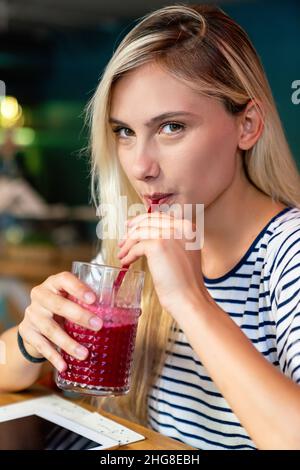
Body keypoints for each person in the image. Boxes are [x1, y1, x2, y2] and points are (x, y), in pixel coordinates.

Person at [0, 4, 299, 450]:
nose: (141, 166)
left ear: (248, 125)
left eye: (172, 127)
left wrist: (188, 299)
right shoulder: (140, 238)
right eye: (124, 132)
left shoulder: (287, 251)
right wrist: (30, 339)